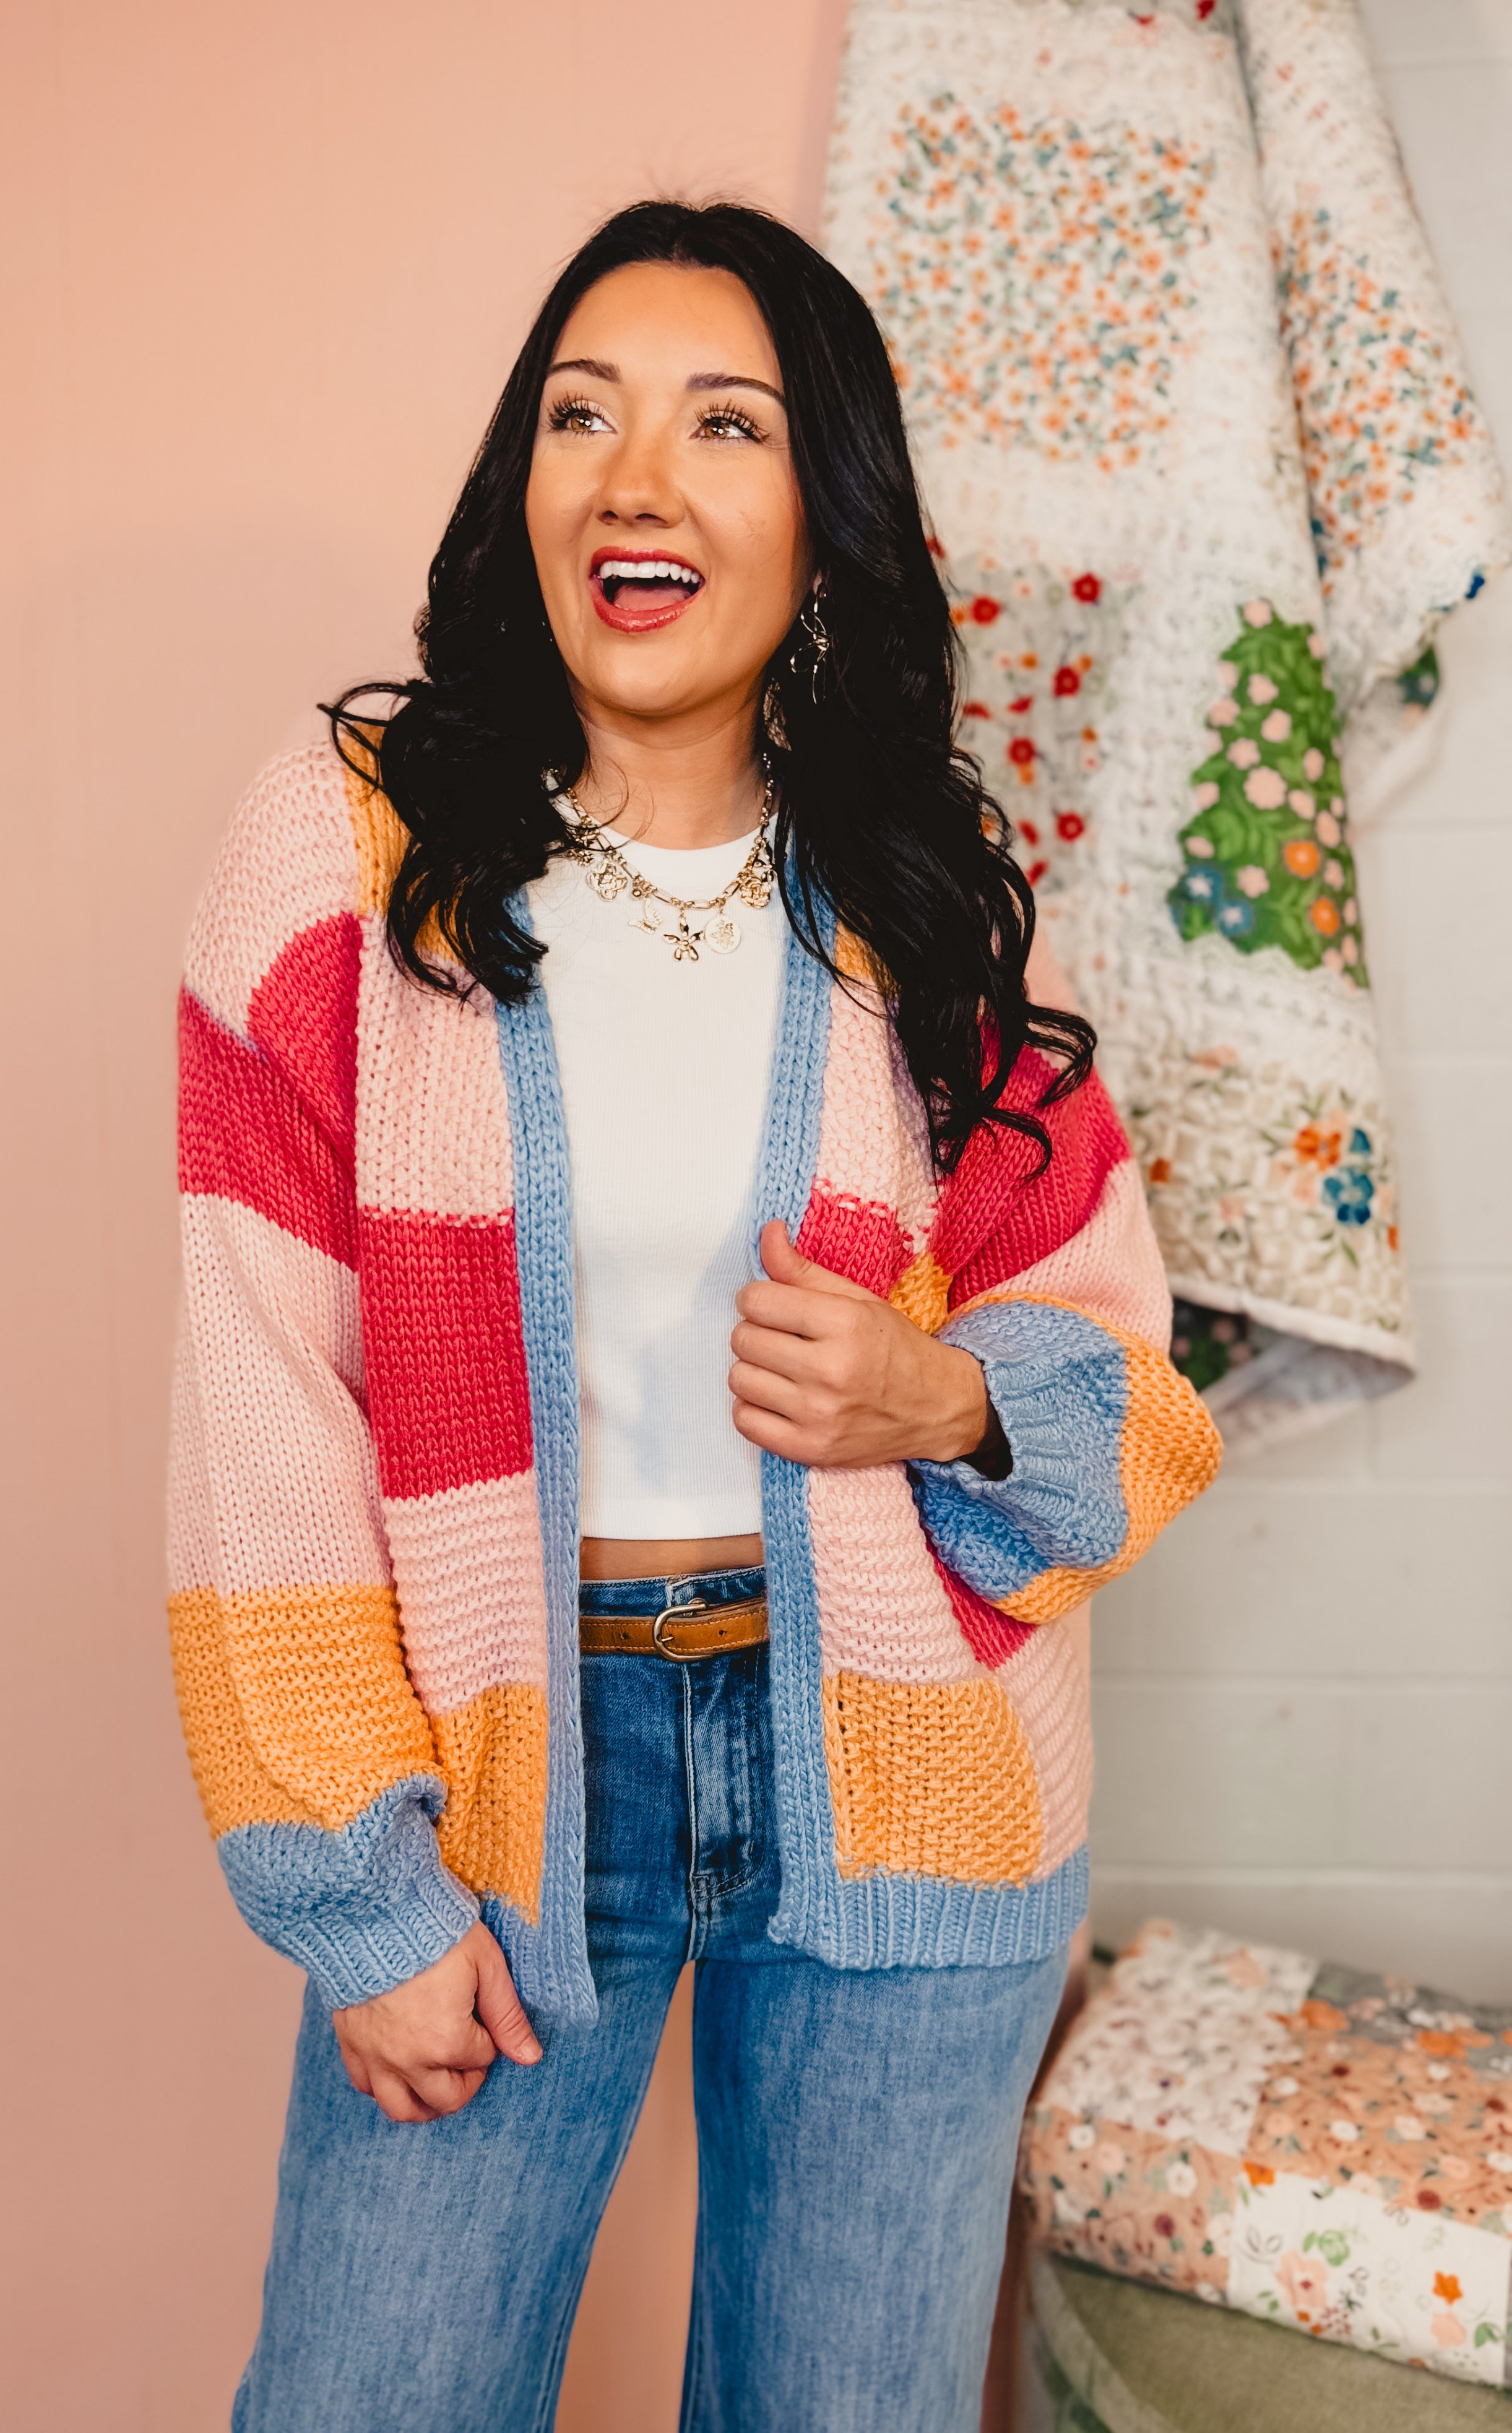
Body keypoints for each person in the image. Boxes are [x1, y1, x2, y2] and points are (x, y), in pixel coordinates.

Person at [168, 199, 1220, 2433]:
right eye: (584, 415)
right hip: (507, 1767)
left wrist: (943, 1394)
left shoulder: (920, 899)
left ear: (825, 519)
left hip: (913, 1768)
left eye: (723, 425)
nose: (636, 478)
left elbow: (1137, 1395)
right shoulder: (351, 863)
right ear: (522, 485)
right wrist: (359, 1891)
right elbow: (261, 1408)